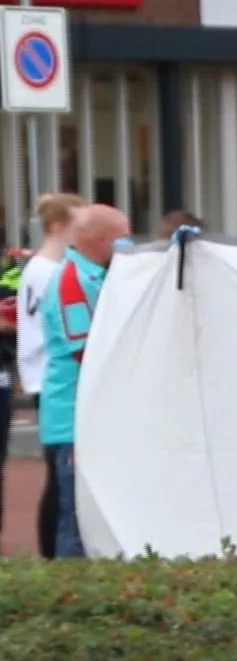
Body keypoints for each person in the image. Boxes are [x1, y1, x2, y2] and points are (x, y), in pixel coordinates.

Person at [40, 205, 133, 559]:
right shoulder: (72, 281)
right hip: (73, 420)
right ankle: (71, 588)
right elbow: (87, 349)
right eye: (122, 235)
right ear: (100, 239)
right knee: (77, 517)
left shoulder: (94, 276)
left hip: (91, 414)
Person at [17, 192, 84, 559]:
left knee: (57, 473)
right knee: (60, 475)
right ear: (60, 227)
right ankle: (51, 550)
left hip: (42, 373)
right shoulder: (51, 272)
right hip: (51, 377)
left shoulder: (40, 267)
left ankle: (51, 550)